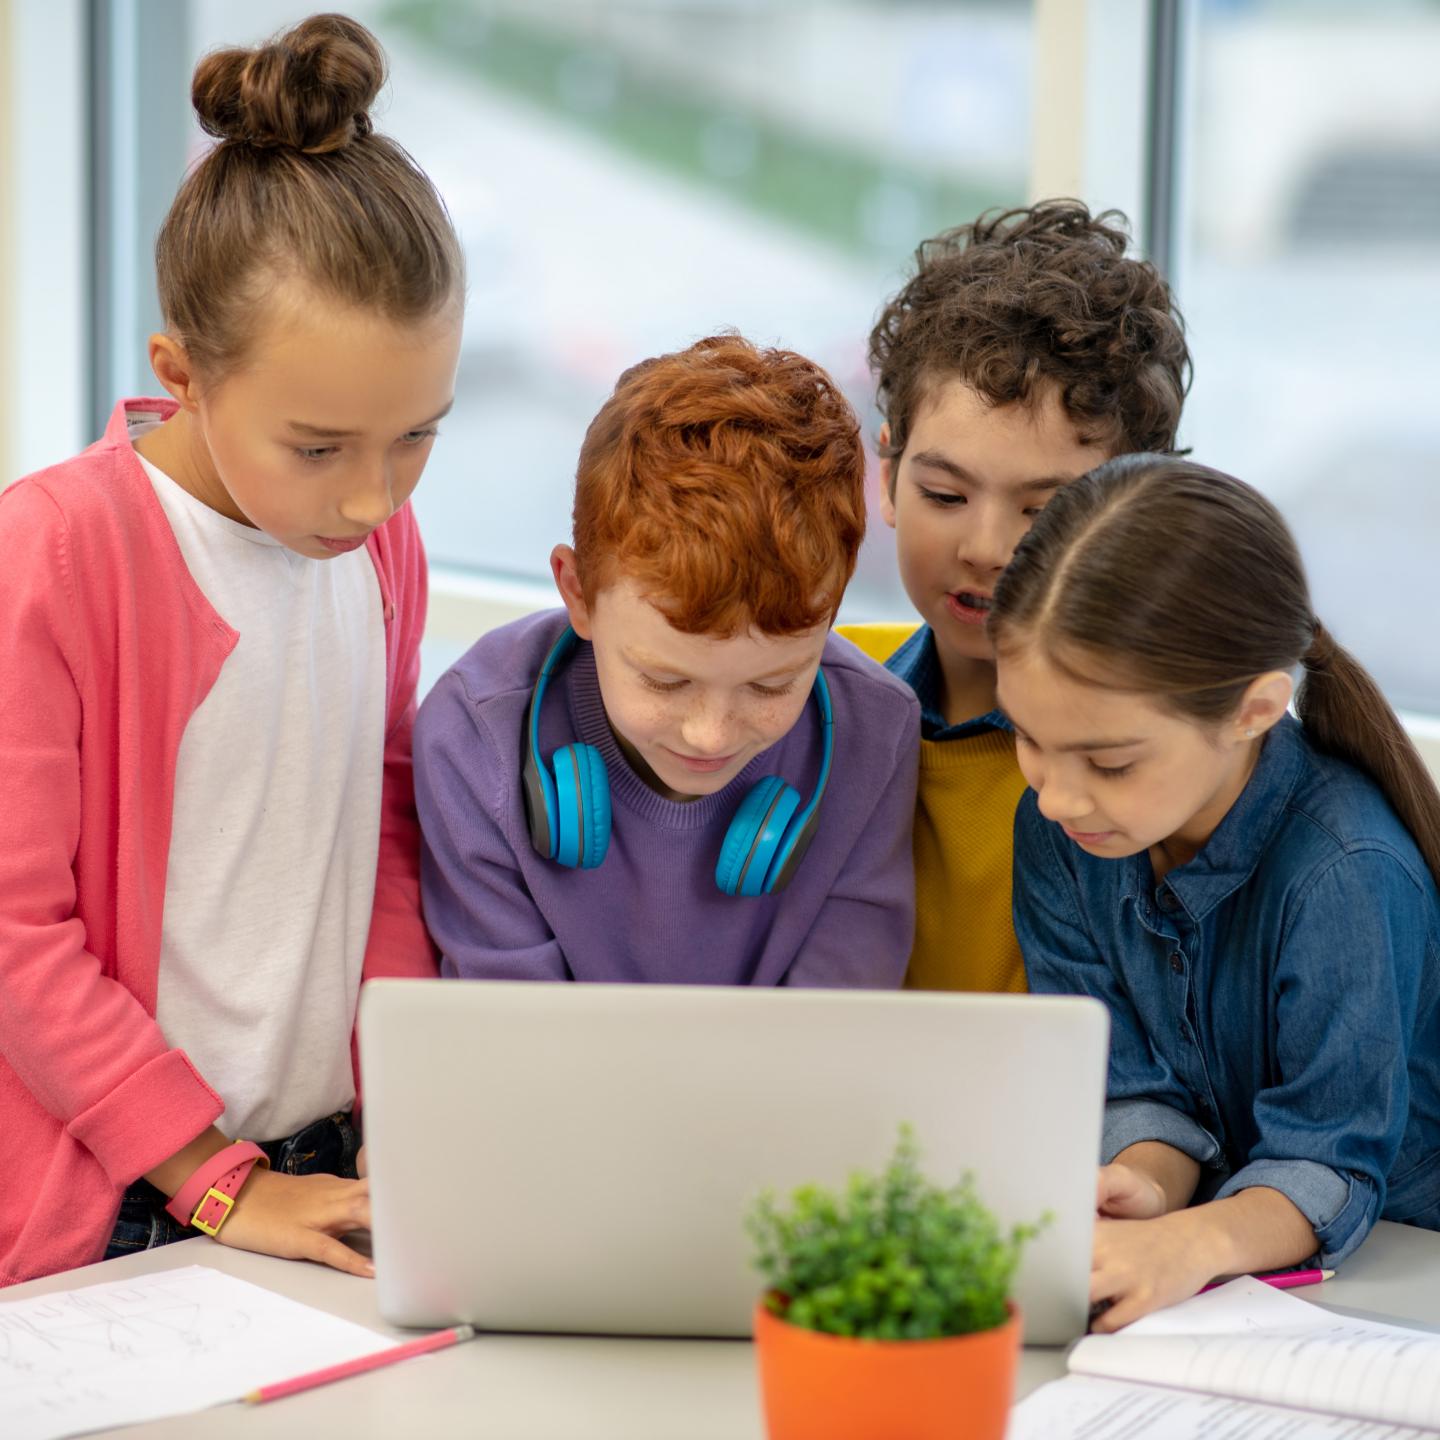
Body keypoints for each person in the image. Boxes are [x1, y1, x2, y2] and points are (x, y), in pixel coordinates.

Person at [0, 13, 464, 1286]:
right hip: (135, 1190)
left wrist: (406, 1099)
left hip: (324, 1160)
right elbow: (15, 933)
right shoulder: (54, 553)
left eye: (417, 436)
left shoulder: (376, 547)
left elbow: (380, 829)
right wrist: (207, 1175)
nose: (375, 498)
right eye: (319, 447)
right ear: (183, 373)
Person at [992, 454, 1440, 1331]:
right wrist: (1146, 1190)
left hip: (1394, 1287)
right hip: (1227, 1287)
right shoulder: (1061, 830)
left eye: (1111, 761)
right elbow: (1132, 1083)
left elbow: (1332, 1164)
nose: (1057, 795)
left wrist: (1188, 1245)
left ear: (1256, 709)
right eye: (1029, 737)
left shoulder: (1345, 872)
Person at [415, 334, 919, 987]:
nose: (709, 733)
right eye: (665, 679)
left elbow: (832, 1042)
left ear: (832, 612)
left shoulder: (877, 735)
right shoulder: (471, 737)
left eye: (772, 685)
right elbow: (514, 1049)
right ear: (578, 592)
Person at [840, 201, 1191, 994]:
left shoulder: (1162, 767)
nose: (989, 550)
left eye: (1045, 511)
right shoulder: (802, 695)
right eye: (945, 494)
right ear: (888, 472)